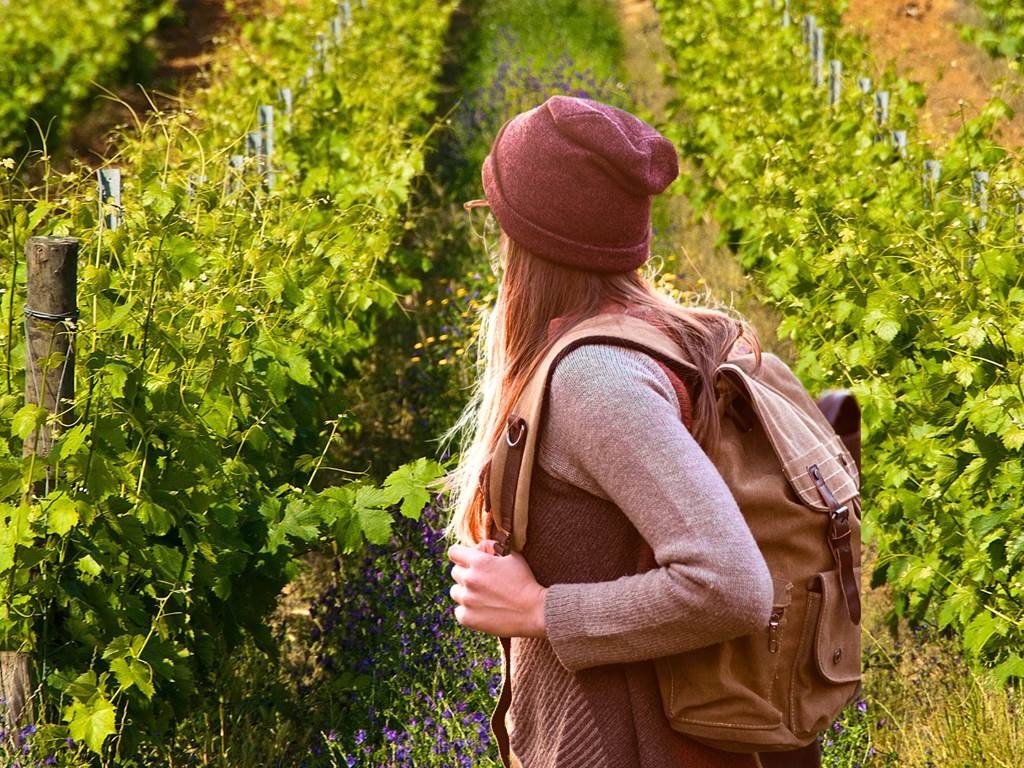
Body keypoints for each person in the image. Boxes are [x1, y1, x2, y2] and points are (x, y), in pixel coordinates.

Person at [440, 95, 821, 768]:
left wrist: (539, 610)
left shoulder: (596, 381)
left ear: (527, 240)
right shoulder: (672, 338)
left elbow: (732, 584)